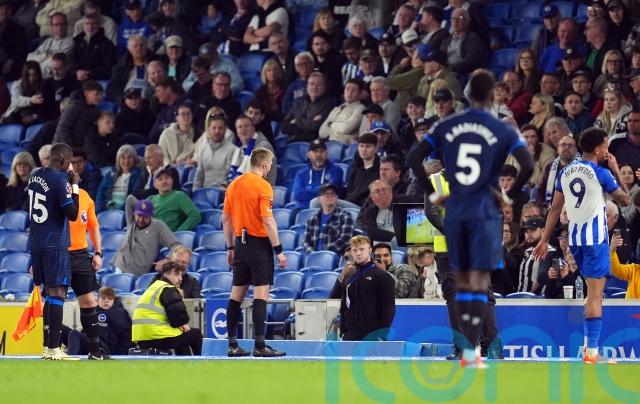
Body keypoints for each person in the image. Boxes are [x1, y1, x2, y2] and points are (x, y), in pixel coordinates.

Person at [408, 70, 534, 368]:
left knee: (466, 295)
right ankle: (481, 348)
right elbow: (527, 165)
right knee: (478, 293)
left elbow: (414, 160)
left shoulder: (447, 126)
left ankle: (475, 349)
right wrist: (508, 196)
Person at [533, 127, 630, 364]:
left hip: (575, 241)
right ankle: (592, 353)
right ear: (597, 149)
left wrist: (544, 239)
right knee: (596, 296)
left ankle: (589, 349)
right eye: (606, 147)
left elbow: (555, 209)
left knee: (591, 294)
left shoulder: (565, 171)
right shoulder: (601, 172)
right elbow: (626, 200)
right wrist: (616, 169)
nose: (607, 151)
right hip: (595, 241)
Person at [222, 147, 287, 357]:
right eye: (270, 165)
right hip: (258, 244)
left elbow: (226, 219)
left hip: (239, 244)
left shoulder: (234, 184)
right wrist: (279, 250)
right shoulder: (263, 186)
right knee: (261, 294)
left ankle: (232, 345)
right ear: (266, 165)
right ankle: (260, 346)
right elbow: (268, 221)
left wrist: (230, 248)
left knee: (236, 295)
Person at [28, 143, 80, 360]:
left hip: (35, 241)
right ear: (64, 160)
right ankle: (54, 348)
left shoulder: (34, 175)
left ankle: (47, 347)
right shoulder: (60, 180)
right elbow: (73, 214)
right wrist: (74, 186)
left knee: (49, 294)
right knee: (57, 293)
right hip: (54, 243)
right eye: (70, 162)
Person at [66, 172, 109, 360]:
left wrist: (98, 253)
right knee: (54, 300)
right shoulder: (54, 194)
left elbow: (93, 227)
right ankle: (50, 348)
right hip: (59, 252)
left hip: (81, 254)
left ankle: (95, 351)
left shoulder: (85, 197)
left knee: (90, 302)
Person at [132, 261, 203, 355]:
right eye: (176, 274)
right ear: (166, 274)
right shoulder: (168, 289)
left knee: (182, 337)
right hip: (156, 337)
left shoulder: (154, 287)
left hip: (141, 338)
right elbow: (180, 318)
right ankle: (201, 361)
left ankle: (184, 362)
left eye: (181, 275)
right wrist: (183, 324)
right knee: (196, 334)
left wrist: (180, 325)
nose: (180, 278)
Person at [338, 235, 395, 341]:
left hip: (373, 335)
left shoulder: (383, 276)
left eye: (362, 249)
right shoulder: (349, 276)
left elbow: (388, 308)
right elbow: (344, 305)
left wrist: (381, 334)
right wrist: (343, 330)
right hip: (350, 335)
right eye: (355, 250)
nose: (358, 253)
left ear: (370, 250)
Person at [114, 197, 179, 276]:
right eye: (139, 215)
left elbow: (177, 245)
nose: (141, 219)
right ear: (134, 214)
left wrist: (167, 259)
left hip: (138, 274)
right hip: (119, 268)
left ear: (151, 215)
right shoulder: (132, 222)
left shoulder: (159, 226)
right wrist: (142, 205)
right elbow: (130, 199)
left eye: (145, 216)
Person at [281, 71, 336, 143]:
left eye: (318, 84)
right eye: (311, 84)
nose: (314, 87)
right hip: (293, 141)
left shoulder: (329, 104)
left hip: (315, 144)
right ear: (307, 86)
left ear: (325, 87)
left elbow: (316, 128)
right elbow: (284, 125)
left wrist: (296, 121)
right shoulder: (298, 102)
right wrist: (307, 125)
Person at [290, 138, 344, 210]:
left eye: (322, 151)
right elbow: (298, 195)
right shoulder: (301, 174)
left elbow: (329, 193)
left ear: (327, 153)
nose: (319, 154)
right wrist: (321, 190)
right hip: (303, 209)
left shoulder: (336, 171)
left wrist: (309, 189)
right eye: (315, 151)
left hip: (328, 209)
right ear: (309, 155)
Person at [302, 184, 354, 255]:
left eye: (332, 193)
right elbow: (305, 242)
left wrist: (325, 253)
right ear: (319, 199)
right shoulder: (312, 219)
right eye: (326, 193)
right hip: (314, 256)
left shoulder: (345, 216)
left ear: (337, 197)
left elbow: (346, 238)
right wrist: (313, 253)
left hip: (335, 257)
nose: (330, 196)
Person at [53, 80, 103, 148]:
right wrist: (70, 149)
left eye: (101, 94)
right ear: (87, 92)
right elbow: (63, 128)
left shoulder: (94, 111)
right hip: (64, 148)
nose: (100, 97)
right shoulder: (74, 106)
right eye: (97, 94)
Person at [95, 145, 145, 212]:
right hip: (107, 209)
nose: (126, 161)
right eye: (123, 158)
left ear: (134, 159)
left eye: (129, 158)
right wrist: (98, 211)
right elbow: (100, 192)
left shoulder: (138, 175)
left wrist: (119, 210)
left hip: (125, 211)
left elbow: (133, 196)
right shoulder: (110, 174)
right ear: (118, 160)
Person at [193, 114, 236, 190]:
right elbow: (199, 174)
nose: (217, 131)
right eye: (214, 128)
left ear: (225, 130)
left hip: (221, 192)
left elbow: (228, 176)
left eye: (220, 128)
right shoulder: (204, 148)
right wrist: (195, 192)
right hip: (204, 191)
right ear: (209, 129)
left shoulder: (232, 149)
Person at [26, 12, 74, 78]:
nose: (60, 27)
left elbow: (56, 61)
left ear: (66, 25)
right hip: (36, 76)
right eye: (56, 24)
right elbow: (29, 57)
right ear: (51, 27)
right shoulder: (48, 41)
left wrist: (39, 60)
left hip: (52, 77)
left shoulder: (70, 42)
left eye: (62, 24)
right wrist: (45, 55)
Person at [319, 78, 365, 144]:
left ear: (360, 93)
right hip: (328, 142)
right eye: (347, 89)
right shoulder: (338, 108)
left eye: (354, 90)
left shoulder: (361, 108)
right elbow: (322, 132)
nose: (350, 92)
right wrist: (336, 127)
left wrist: (331, 124)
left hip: (344, 144)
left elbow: (347, 128)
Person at [345, 133, 380, 206]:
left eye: (368, 146)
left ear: (376, 149)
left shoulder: (380, 170)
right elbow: (349, 190)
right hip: (349, 204)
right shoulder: (354, 167)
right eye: (361, 146)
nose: (364, 150)